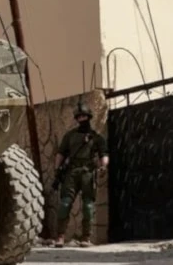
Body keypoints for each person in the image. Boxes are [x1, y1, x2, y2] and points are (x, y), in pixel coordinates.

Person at [53, 101, 108, 248]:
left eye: (84, 116)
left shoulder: (96, 137)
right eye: (79, 117)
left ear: (89, 117)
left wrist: (103, 166)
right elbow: (61, 153)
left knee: (88, 206)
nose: (81, 119)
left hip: (88, 173)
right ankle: (60, 236)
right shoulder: (70, 136)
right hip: (71, 173)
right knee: (65, 204)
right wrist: (57, 170)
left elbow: (104, 154)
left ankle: (86, 237)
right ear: (76, 119)